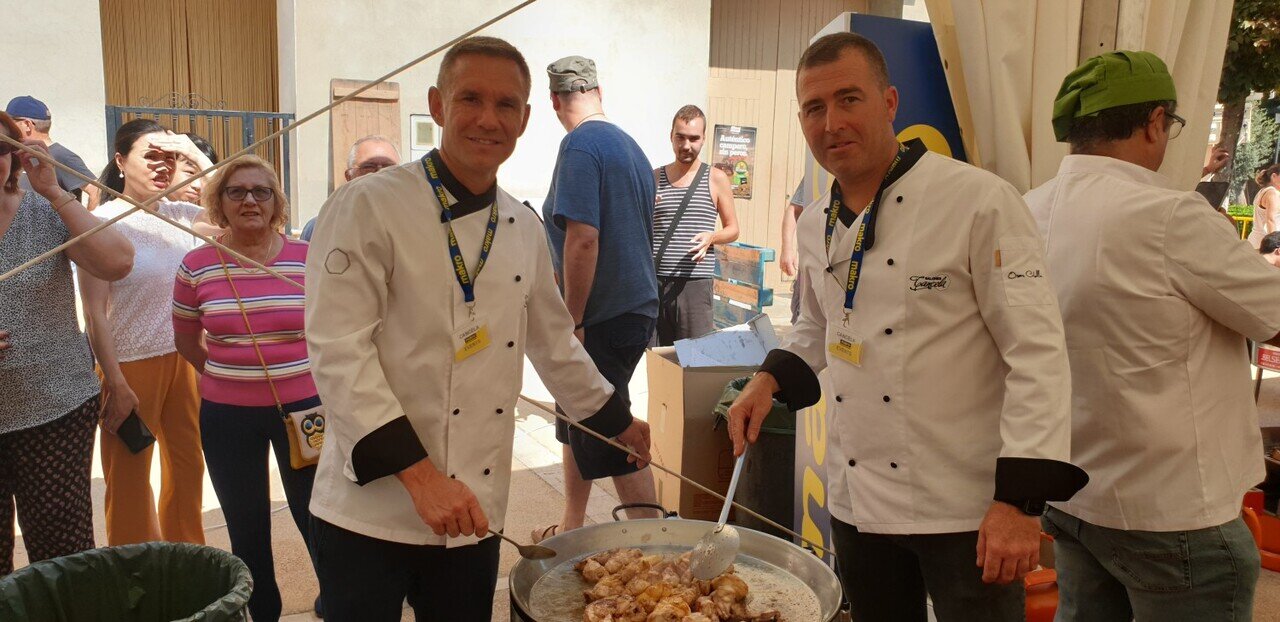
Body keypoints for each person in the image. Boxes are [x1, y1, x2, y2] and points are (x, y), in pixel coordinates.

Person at [725, 33, 1087, 621]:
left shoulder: (979, 201)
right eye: (814, 108)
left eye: (849, 99)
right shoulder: (815, 222)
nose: (832, 123)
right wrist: (767, 380)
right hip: (858, 500)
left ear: (890, 102)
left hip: (967, 508)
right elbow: (818, 324)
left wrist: (1021, 503)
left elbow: (1038, 353)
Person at [304, 36, 651, 621]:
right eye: (471, 99)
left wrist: (616, 421)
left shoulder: (521, 225)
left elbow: (554, 342)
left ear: (525, 119)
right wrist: (422, 480)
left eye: (505, 104)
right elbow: (340, 353)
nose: (488, 119)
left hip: (473, 510)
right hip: (371, 510)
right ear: (438, 106)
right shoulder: (367, 205)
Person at [1025, 50, 1280, 621]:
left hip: (1074, 494)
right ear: (1155, 121)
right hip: (1171, 510)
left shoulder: (1026, 209)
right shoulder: (1169, 215)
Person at [172, 155, 320, 621]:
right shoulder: (196, 265)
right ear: (220, 202)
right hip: (227, 416)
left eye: (261, 191)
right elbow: (185, 340)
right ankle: (263, 613)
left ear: (276, 201)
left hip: (305, 409)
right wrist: (227, 377)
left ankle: (339, 600)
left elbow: (332, 331)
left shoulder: (306, 258)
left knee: (316, 514)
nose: (250, 201)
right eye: (236, 192)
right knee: (246, 522)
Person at [0, 111, 134, 576]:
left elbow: (118, 263)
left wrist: (56, 193)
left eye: (1, 148)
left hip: (55, 409)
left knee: (63, 555)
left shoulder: (43, 211)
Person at [534, 54, 661, 543]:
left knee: (612, 427)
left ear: (554, 101)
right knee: (578, 413)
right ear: (598, 92)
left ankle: (656, 544)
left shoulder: (580, 145)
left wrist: (572, 319)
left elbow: (583, 238)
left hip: (602, 313)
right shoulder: (630, 147)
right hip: (631, 306)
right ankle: (572, 525)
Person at [81, 120, 219, 547]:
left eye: (170, 158)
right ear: (121, 161)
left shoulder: (182, 216)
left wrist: (194, 154)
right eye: (151, 156)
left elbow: (232, 206)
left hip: (183, 360)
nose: (163, 166)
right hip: (128, 365)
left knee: (188, 466)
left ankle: (188, 556)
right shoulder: (100, 222)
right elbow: (94, 313)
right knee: (129, 477)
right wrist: (115, 382)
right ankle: (134, 569)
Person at [650, 104, 738, 345]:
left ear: (703, 139)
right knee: (657, 358)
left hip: (695, 286)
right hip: (655, 282)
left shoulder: (716, 178)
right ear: (671, 136)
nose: (686, 145)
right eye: (680, 137)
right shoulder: (654, 178)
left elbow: (733, 229)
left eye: (694, 138)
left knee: (695, 358)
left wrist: (712, 237)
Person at [300, 135, 400, 241]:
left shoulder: (411, 222)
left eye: (390, 167)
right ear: (349, 176)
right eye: (368, 167)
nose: (380, 173)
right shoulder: (321, 228)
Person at [6, 96, 97, 206]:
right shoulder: (14, 154)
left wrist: (85, 218)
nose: (6, 128)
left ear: (27, 125)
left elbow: (96, 192)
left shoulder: (62, 156)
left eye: (9, 123)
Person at [781, 175, 811, 324]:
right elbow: (794, 210)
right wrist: (787, 250)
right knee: (802, 321)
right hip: (811, 265)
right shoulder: (817, 169)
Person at [1249, 163, 1280, 249]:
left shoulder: (1263, 191)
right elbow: (1271, 220)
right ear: (1274, 176)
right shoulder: (1272, 193)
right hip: (1265, 244)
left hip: (1257, 241)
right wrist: (1275, 246)